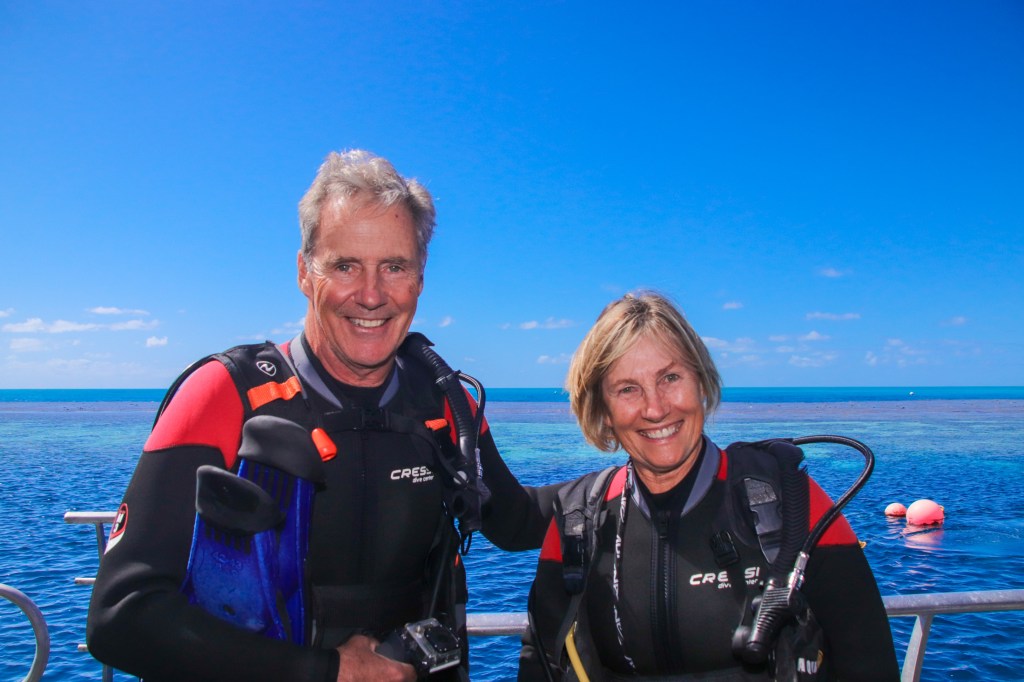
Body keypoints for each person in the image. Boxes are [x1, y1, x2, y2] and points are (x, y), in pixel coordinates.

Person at [87, 150, 557, 682]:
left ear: (420, 279)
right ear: (304, 273)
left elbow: (516, 520)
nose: (372, 295)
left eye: (394, 267)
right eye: (345, 266)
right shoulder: (225, 393)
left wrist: (625, 475)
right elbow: (119, 618)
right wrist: (328, 671)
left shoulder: (445, 405)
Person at [518, 292, 900, 681]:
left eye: (670, 378)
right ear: (603, 412)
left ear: (701, 382)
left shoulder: (790, 502)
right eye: (627, 389)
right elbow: (540, 665)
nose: (655, 409)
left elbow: (871, 665)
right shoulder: (577, 523)